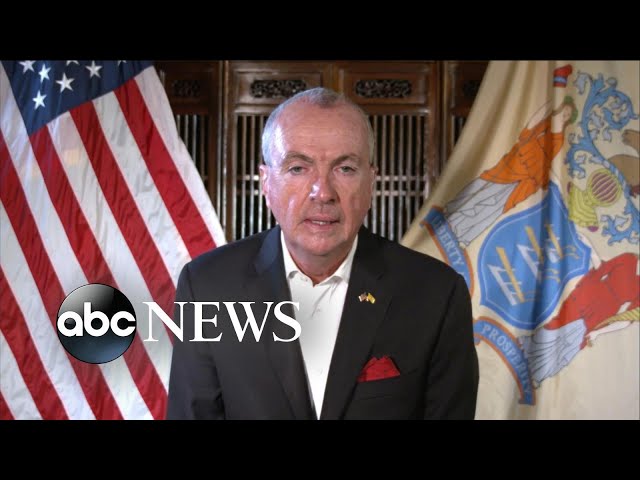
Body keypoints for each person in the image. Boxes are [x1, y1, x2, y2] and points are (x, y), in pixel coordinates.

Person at [166, 87, 479, 419]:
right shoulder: (207, 286)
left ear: (371, 182)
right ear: (266, 182)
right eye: (298, 168)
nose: (323, 192)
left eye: (345, 169)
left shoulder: (437, 294)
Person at [445, 96, 578, 247]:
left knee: (496, 206)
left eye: (568, 115)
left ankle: (464, 235)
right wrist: (549, 102)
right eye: (565, 111)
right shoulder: (545, 122)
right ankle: (452, 218)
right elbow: (529, 128)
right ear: (560, 109)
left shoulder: (559, 139)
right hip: (513, 164)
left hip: (527, 179)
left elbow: (547, 161)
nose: (564, 115)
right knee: (482, 188)